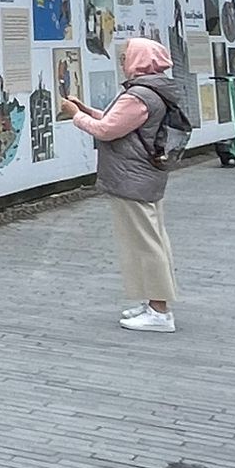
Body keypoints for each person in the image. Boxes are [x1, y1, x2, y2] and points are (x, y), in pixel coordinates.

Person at [60, 37, 184, 333]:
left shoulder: (139, 95)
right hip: (144, 175)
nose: (122, 59)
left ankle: (159, 311)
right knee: (151, 239)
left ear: (139, 59)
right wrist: (87, 110)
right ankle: (153, 302)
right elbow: (118, 122)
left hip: (132, 178)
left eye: (126, 54)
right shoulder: (155, 89)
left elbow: (107, 130)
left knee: (145, 243)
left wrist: (75, 116)